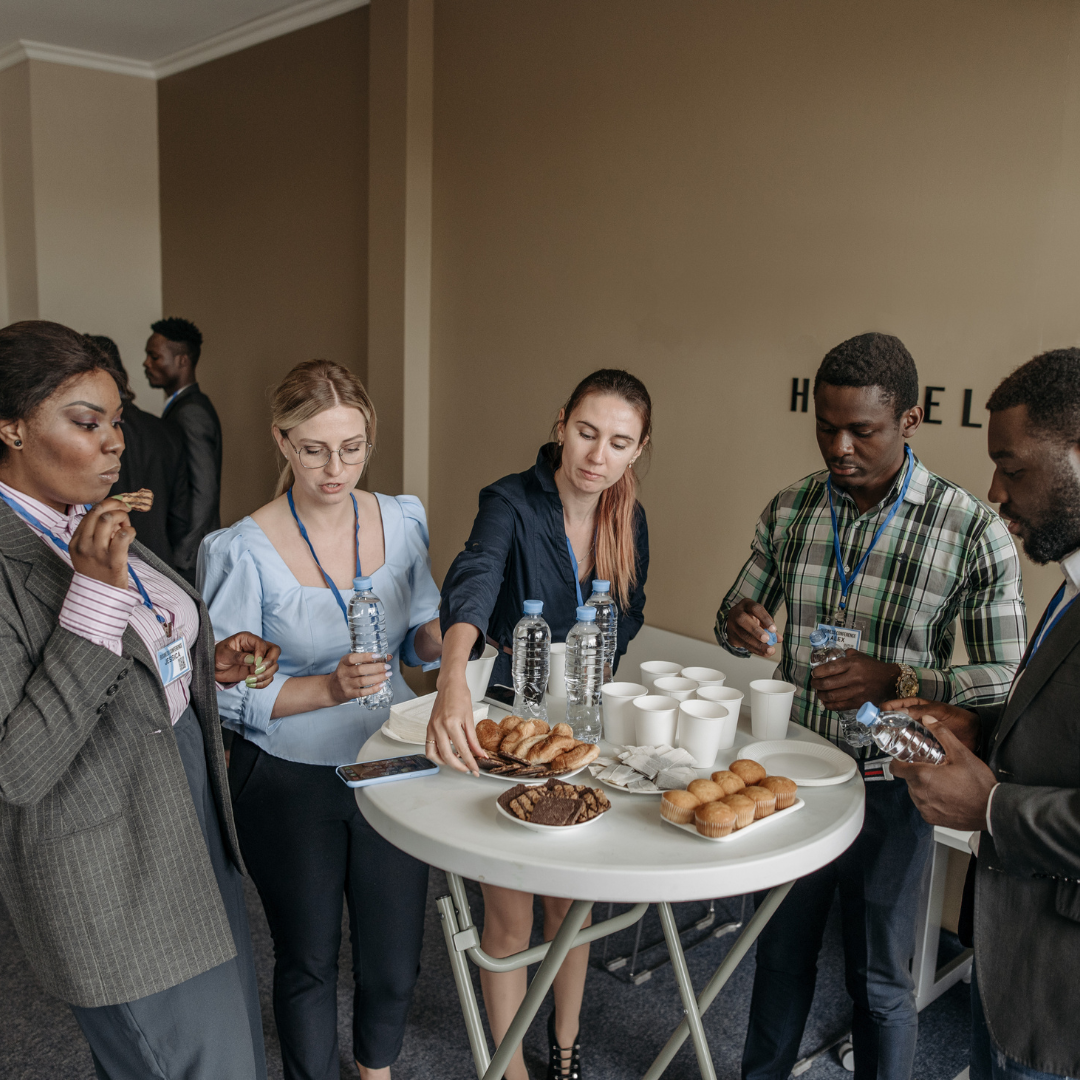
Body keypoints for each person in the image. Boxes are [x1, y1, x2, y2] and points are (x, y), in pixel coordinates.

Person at [715, 333, 1026, 1080]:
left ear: (910, 420)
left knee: (881, 980)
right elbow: (735, 610)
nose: (841, 446)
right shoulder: (790, 509)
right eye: (827, 426)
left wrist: (901, 680)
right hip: (796, 775)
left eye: (863, 429)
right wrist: (740, 621)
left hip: (896, 784)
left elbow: (1006, 681)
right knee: (779, 957)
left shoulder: (971, 530)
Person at [0, 320, 280, 1079]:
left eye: (116, 420)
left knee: (232, 1055)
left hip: (187, 812)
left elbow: (129, 651)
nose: (116, 441)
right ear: (12, 428)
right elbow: (16, 768)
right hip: (109, 862)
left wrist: (194, 662)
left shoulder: (84, 520)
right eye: (88, 423)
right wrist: (91, 594)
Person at [199, 359, 443, 1080]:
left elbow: (423, 636)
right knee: (308, 959)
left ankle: (376, 1072)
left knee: (395, 961)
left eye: (352, 447)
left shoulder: (402, 518)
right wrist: (328, 688)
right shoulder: (242, 549)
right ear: (281, 440)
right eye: (314, 448)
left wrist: (453, 636)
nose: (335, 467)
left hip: (392, 763)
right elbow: (230, 693)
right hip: (288, 773)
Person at [428, 368, 652, 1080]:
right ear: (561, 423)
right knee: (511, 911)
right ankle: (510, 1067)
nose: (597, 455)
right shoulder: (510, 501)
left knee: (571, 908)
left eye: (618, 442)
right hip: (510, 726)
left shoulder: (629, 516)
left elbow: (631, 610)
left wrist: (590, 677)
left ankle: (563, 1046)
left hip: (580, 734)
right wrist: (452, 679)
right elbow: (476, 576)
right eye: (587, 432)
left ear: (638, 450)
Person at [892, 348, 1080, 1080]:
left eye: (1014, 466)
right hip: (1011, 963)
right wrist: (984, 729)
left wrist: (993, 806)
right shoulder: (1069, 582)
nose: (995, 492)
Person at [86, 334, 192, 570]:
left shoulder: (86, 435)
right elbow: (181, 515)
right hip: (161, 562)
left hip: (104, 560)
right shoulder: (167, 431)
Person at [143, 317, 221, 584]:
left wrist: (183, 555)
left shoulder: (191, 413)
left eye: (154, 356)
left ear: (182, 360)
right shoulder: (184, 407)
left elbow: (204, 489)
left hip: (188, 557)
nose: (146, 363)